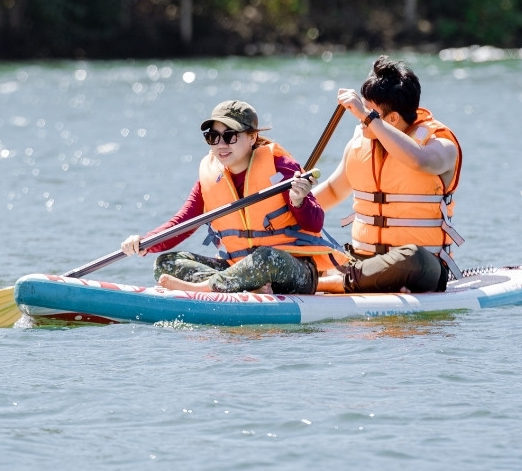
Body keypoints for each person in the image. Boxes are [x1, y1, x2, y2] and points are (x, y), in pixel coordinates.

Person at [120, 100, 346, 294]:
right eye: (213, 137)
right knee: (165, 263)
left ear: (252, 137)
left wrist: (299, 200)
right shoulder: (209, 177)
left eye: (229, 136)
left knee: (266, 258)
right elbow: (182, 223)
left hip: (291, 270)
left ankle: (205, 289)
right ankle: (242, 287)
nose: (221, 144)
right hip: (237, 269)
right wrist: (146, 242)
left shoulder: (280, 166)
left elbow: (315, 222)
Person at [311, 56, 464, 294]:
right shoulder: (359, 144)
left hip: (419, 267)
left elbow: (419, 160)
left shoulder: (441, 146)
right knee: (302, 236)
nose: (360, 119)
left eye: (368, 112)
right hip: (359, 261)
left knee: (411, 257)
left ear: (392, 118)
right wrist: (288, 209)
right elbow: (332, 190)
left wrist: (368, 119)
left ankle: (318, 283)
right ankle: (343, 278)